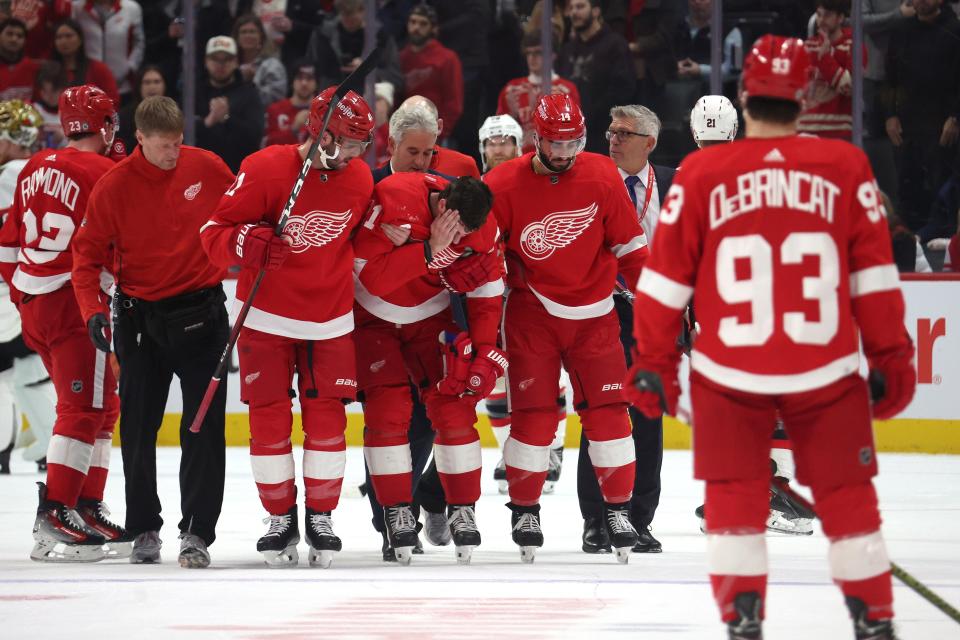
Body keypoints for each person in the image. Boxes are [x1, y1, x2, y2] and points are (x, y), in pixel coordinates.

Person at [624, 35, 916, 639]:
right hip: (826, 370)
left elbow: (664, 281)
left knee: (733, 500)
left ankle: (743, 619)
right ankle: (873, 616)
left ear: (745, 96)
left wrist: (653, 358)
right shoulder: (845, 167)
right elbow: (875, 278)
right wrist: (893, 357)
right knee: (847, 497)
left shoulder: (702, 172)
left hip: (731, 372)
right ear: (804, 97)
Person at [200, 87, 375, 569]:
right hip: (266, 317)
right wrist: (248, 242)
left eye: (363, 145)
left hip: (331, 317)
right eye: (350, 142)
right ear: (320, 133)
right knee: (269, 423)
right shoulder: (264, 168)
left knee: (327, 423)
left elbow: (360, 240)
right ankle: (280, 517)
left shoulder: (359, 178)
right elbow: (211, 235)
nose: (357, 155)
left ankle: (320, 515)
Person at [72, 96, 235, 568]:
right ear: (138, 139)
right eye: (164, 146)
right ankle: (144, 525)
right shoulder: (113, 186)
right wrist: (92, 311)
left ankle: (197, 532)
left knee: (202, 427)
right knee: (139, 429)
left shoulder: (207, 167)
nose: (173, 153)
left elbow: (245, 209)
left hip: (204, 316)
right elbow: (85, 258)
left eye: (178, 143)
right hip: (139, 321)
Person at [485, 93, 648, 564]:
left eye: (573, 142)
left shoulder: (601, 174)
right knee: (534, 417)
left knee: (611, 414)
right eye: (555, 144)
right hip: (532, 315)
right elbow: (485, 259)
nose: (563, 153)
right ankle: (526, 509)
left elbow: (631, 249)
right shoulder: (502, 184)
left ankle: (618, 510)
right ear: (536, 138)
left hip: (596, 314)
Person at [0, 85, 127, 562]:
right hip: (77, 305)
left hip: (35, 304)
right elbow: (120, 247)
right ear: (104, 122)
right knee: (81, 409)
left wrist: (21, 293)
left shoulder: (34, 166)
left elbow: (7, 243)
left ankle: (85, 506)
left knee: (101, 406)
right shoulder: (107, 172)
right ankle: (57, 510)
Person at [352, 173, 502, 564]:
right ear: (441, 208)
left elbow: (487, 294)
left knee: (455, 406)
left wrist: (486, 350)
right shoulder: (394, 199)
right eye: (454, 229)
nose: (459, 240)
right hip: (372, 316)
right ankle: (396, 510)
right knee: (388, 411)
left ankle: (463, 507)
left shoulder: (481, 227)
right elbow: (371, 276)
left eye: (465, 234)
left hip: (431, 320)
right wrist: (427, 249)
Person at [579, 103, 675, 556]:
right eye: (611, 130)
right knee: (601, 410)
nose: (613, 139)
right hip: (602, 309)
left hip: (656, 314)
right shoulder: (591, 180)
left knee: (648, 412)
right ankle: (597, 519)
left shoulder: (674, 185)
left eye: (624, 133)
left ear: (649, 143)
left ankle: (639, 518)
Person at [0, 99, 56, 474]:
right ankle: (48, 446)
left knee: (15, 373)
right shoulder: (42, 171)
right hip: (35, 286)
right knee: (26, 371)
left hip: (7, 290)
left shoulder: (7, 175)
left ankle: (34, 446)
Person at [557, 0, 636, 154]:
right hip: (568, 135)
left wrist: (589, 116)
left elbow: (624, 90)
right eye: (571, 8)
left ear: (596, 11)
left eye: (580, 7)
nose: (574, 12)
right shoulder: (567, 50)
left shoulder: (616, 45)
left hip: (604, 136)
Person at [497, 29, 581, 154]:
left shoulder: (566, 90)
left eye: (538, 53)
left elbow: (575, 132)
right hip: (519, 159)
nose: (532, 58)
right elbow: (500, 132)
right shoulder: (511, 89)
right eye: (528, 53)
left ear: (553, 55)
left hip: (556, 157)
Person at [195, 35, 264, 173]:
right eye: (215, 59)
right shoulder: (194, 92)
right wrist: (208, 122)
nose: (221, 64)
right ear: (206, 61)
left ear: (236, 62)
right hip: (200, 171)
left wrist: (227, 118)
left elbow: (255, 136)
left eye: (227, 59)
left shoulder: (249, 93)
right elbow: (181, 132)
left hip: (239, 173)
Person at [398, 4, 463, 146]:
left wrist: (439, 133)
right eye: (413, 22)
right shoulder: (400, 57)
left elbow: (453, 104)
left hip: (435, 135)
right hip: (403, 133)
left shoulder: (447, 58)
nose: (416, 28)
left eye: (423, 24)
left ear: (433, 28)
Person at [798, 0, 860, 140]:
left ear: (841, 18)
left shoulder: (853, 45)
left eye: (827, 15)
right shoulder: (807, 46)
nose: (821, 20)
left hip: (838, 133)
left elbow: (849, 88)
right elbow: (798, 89)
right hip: (803, 131)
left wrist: (825, 58)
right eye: (819, 15)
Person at [70, 0, 144, 102]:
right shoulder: (77, 8)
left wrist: (130, 67)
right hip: (86, 84)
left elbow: (139, 43)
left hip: (122, 85)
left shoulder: (131, 8)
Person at [50, 19, 119, 106]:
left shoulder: (98, 69)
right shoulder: (49, 70)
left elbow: (113, 101)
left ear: (80, 40)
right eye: (59, 37)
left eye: (69, 36)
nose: (63, 41)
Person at [233, 13, 288, 108]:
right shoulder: (229, 64)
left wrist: (251, 84)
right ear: (237, 38)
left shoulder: (272, 65)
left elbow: (277, 99)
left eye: (252, 32)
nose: (248, 36)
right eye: (243, 32)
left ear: (261, 37)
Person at [264, 59, 317, 147]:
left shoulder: (324, 112)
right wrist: (293, 128)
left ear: (317, 83)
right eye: (299, 78)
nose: (304, 83)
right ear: (292, 82)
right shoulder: (275, 109)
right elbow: (268, 145)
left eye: (309, 78)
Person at [117, 65, 166, 152]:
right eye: (147, 82)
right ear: (139, 86)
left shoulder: (174, 114)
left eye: (157, 82)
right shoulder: (125, 116)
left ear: (164, 85)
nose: (152, 87)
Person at [0, 18, 38, 101]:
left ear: (25, 41)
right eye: (9, 34)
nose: (14, 39)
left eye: (19, 36)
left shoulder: (32, 68)